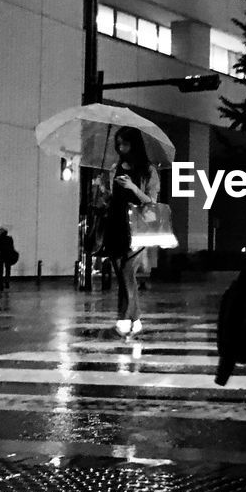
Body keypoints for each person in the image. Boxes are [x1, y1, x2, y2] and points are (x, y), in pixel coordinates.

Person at [104, 126, 160, 336]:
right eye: (118, 144)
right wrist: (105, 193)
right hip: (115, 223)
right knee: (121, 275)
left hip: (137, 227)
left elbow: (152, 202)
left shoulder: (148, 170)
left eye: (125, 144)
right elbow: (112, 199)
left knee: (128, 273)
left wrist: (133, 188)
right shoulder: (114, 168)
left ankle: (129, 319)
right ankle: (131, 319)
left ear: (134, 144)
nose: (121, 148)